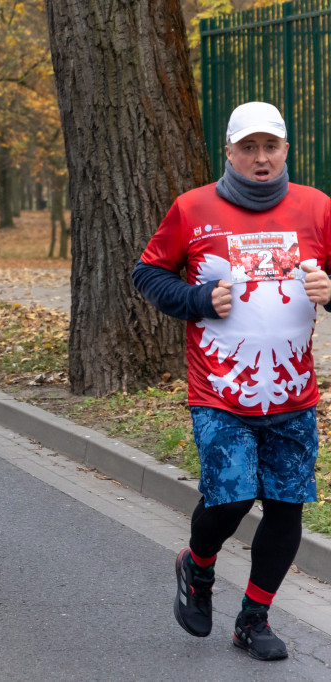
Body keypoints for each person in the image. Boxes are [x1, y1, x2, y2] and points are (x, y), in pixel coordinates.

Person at [133, 101, 331, 662]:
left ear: (286, 150)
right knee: (232, 496)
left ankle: (253, 619)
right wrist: (196, 299)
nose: (261, 158)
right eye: (249, 148)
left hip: (293, 394)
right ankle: (196, 567)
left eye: (271, 147)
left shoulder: (318, 208)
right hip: (220, 391)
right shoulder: (193, 208)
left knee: (287, 508)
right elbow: (146, 272)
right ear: (230, 152)